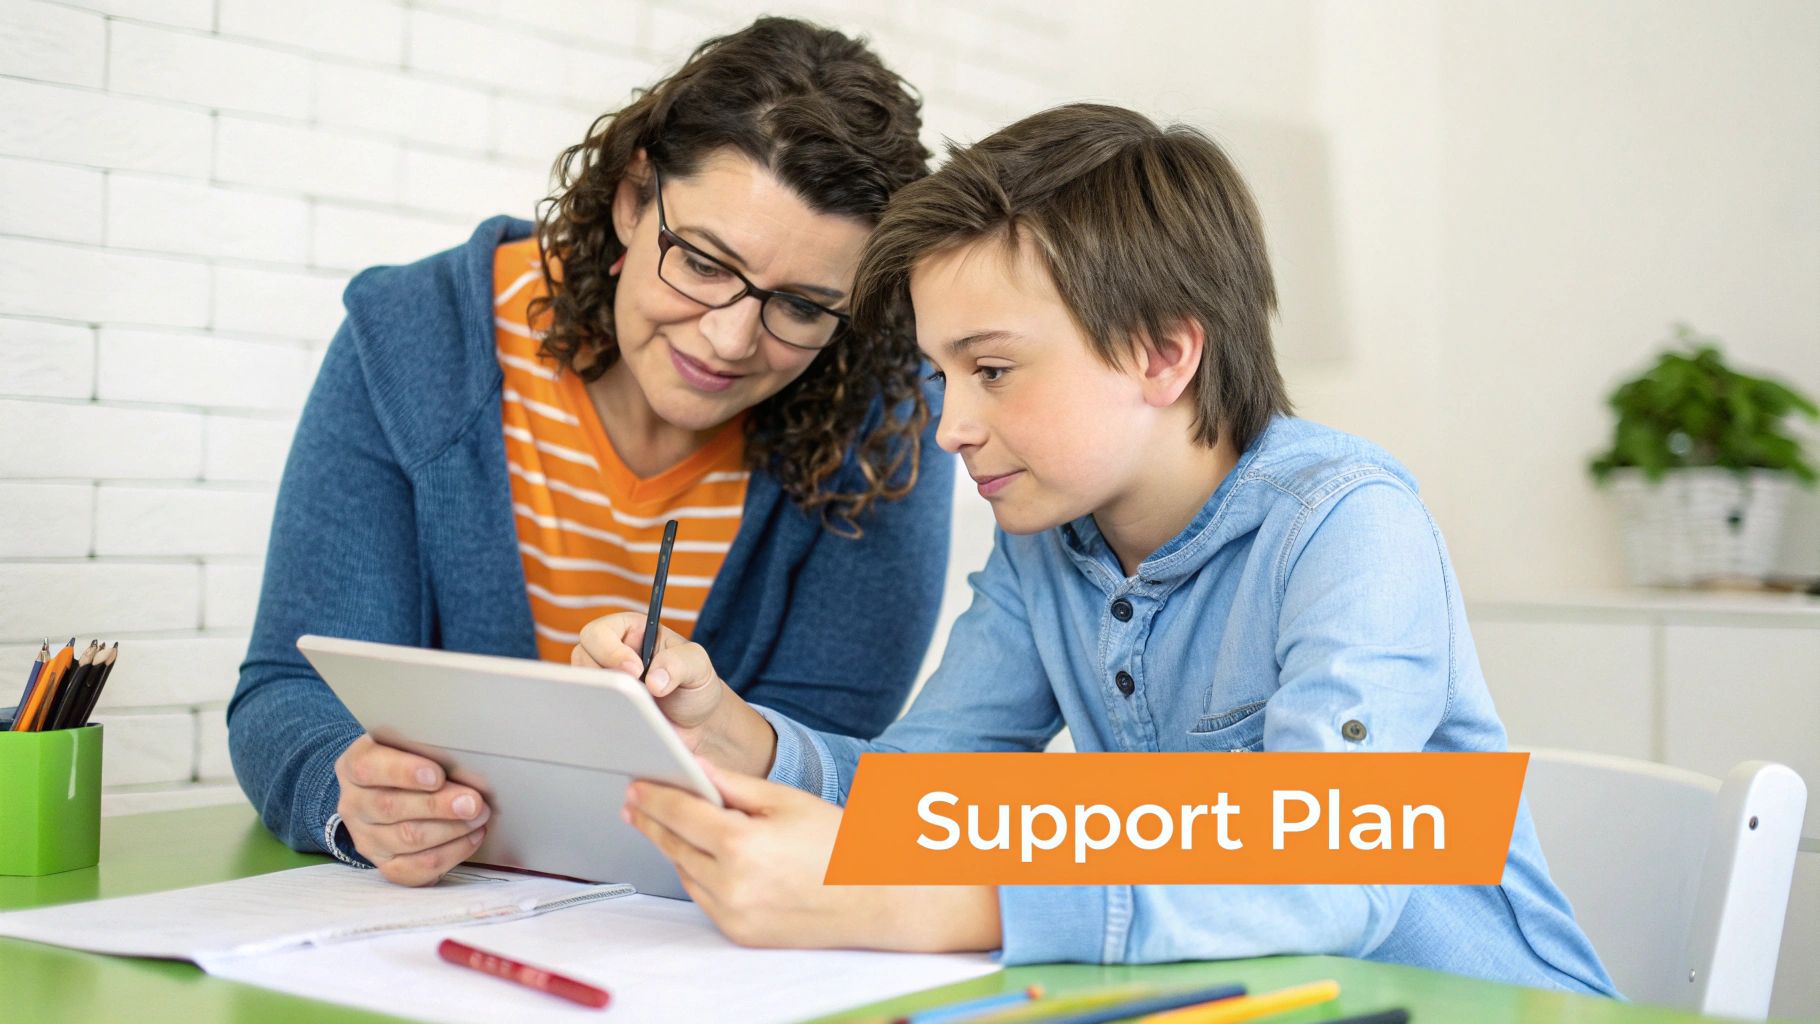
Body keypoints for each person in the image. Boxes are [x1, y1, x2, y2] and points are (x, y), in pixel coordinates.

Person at [580, 103, 1618, 994]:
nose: (949, 429)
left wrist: (934, 900)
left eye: (991, 370)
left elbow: (1330, 867)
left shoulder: (1347, 525)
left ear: (1162, 353)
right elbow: (923, 798)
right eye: (941, 377)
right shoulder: (1045, 542)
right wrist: (736, 736)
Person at [227, 17, 952, 887]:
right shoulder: (417, 340)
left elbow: (837, 758)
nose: (728, 340)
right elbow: (290, 691)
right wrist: (350, 792)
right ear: (634, 198)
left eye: (801, 307)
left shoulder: (888, 416)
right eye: (703, 263)